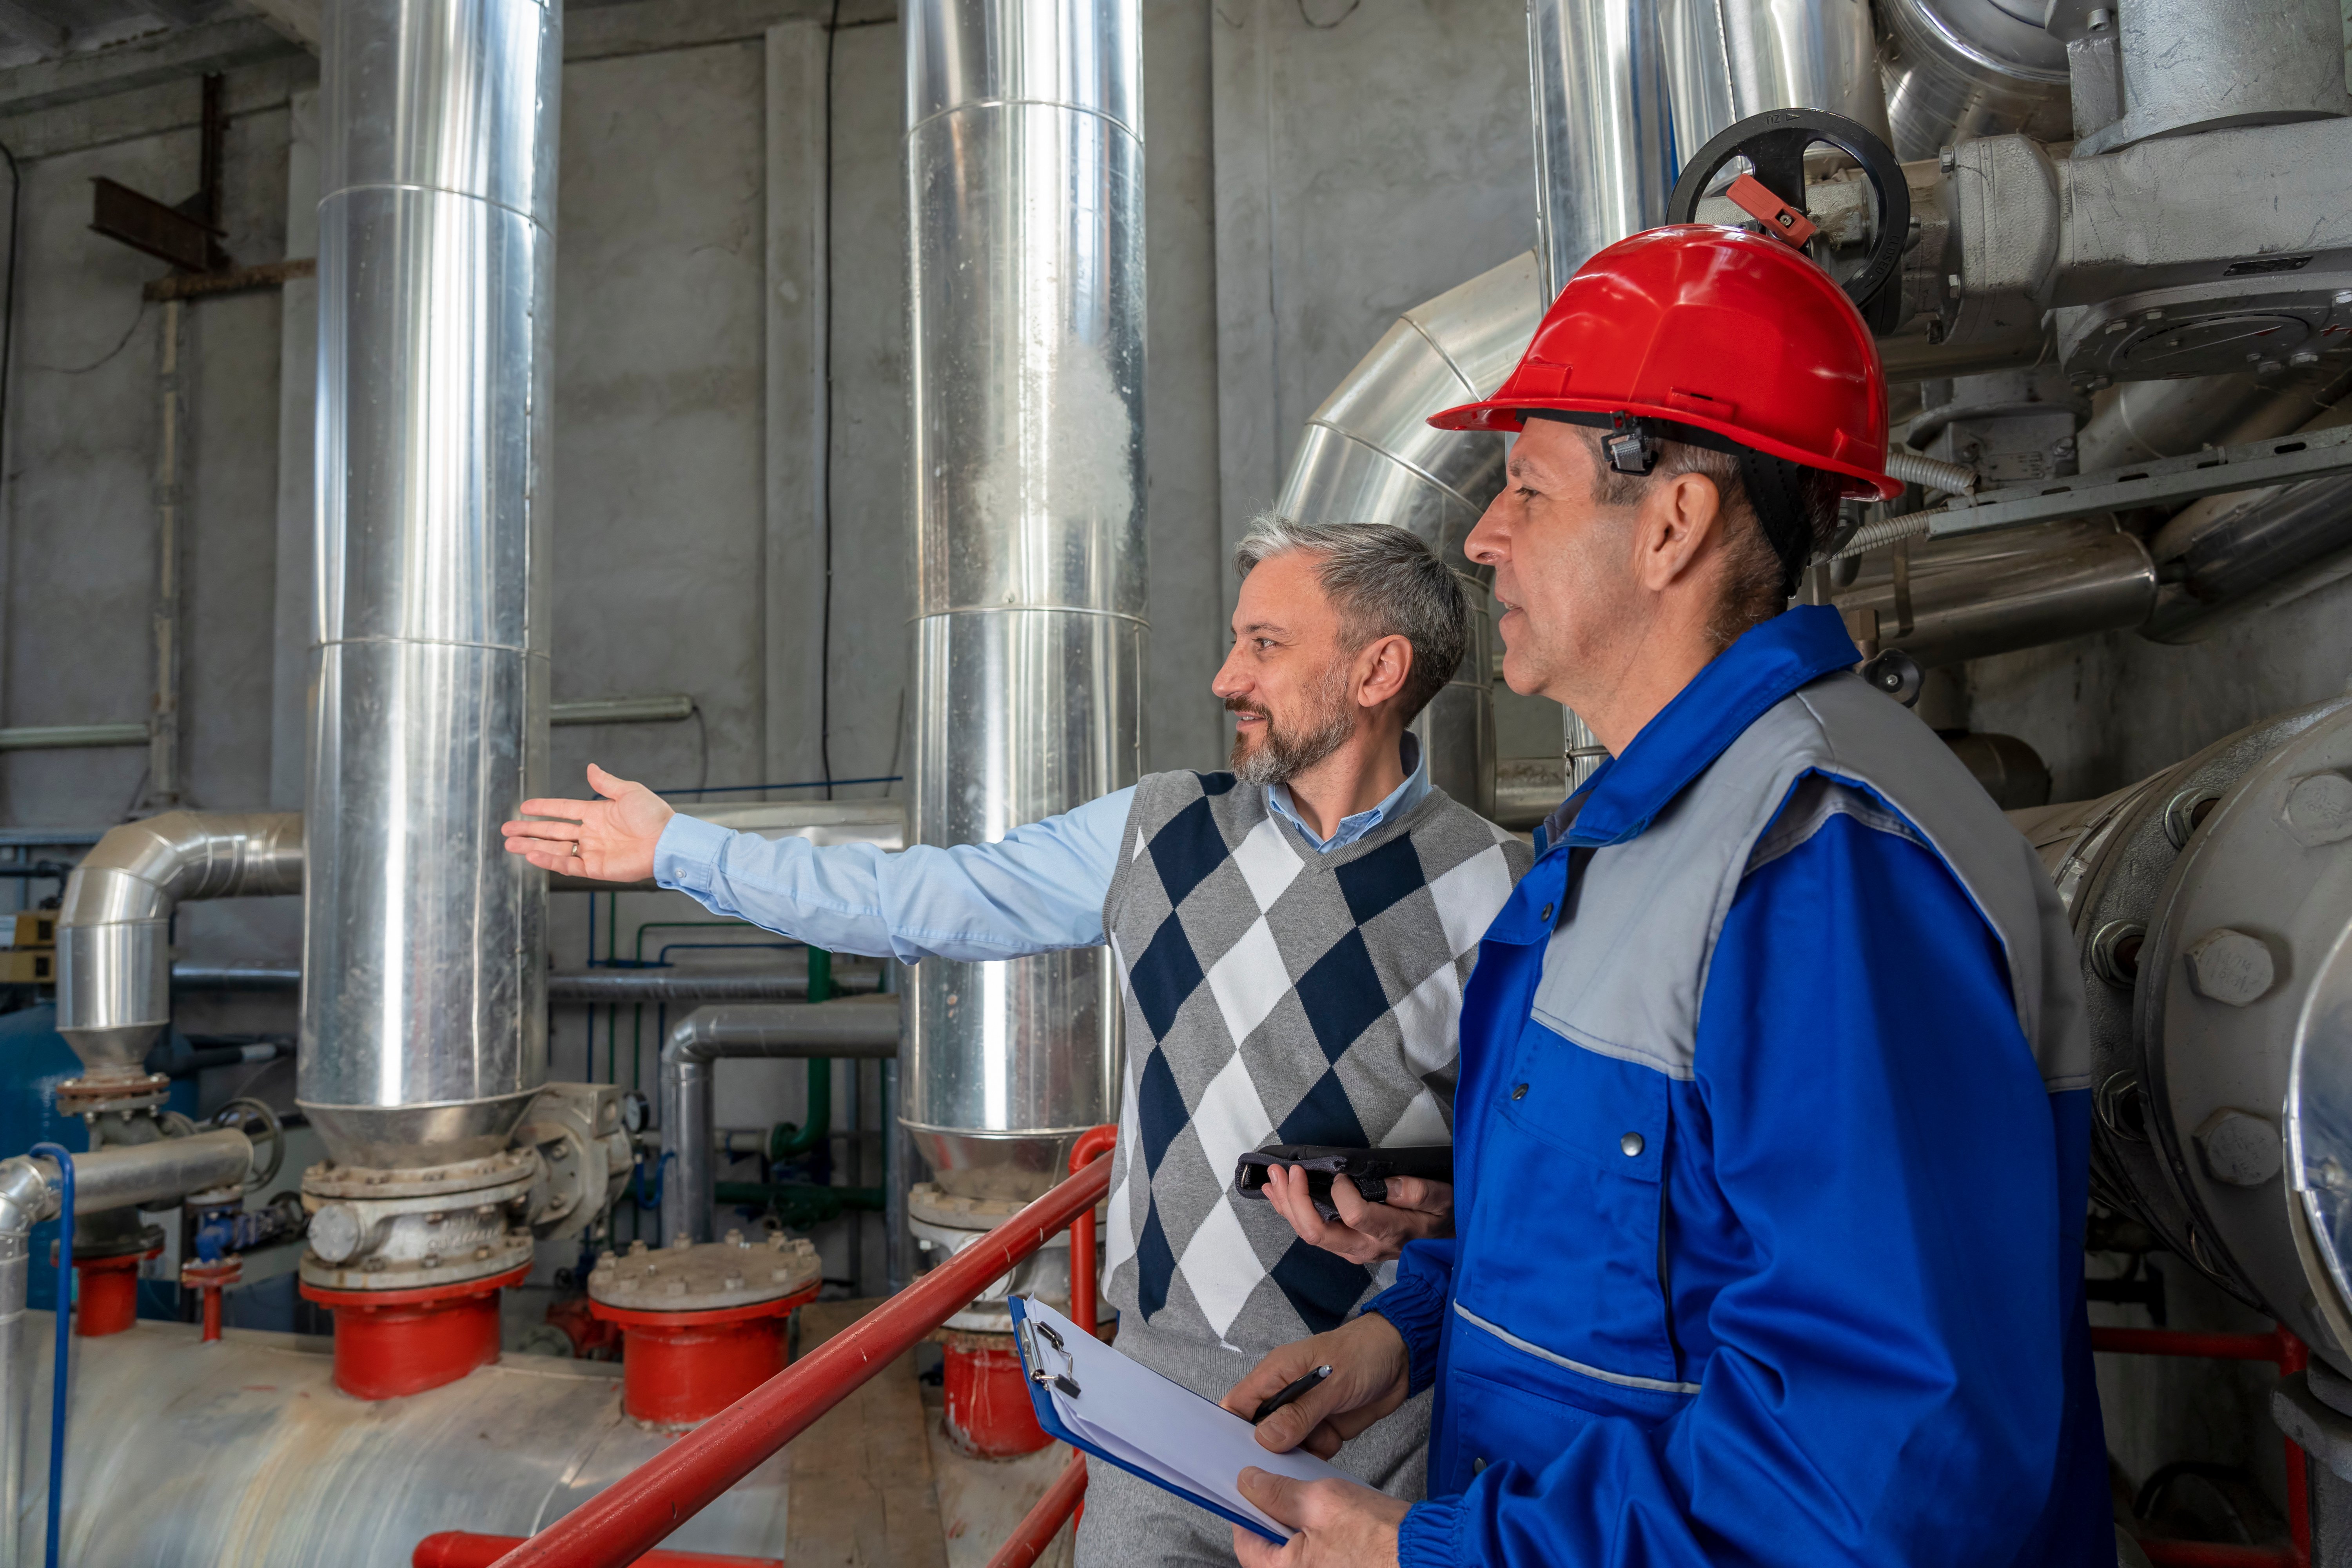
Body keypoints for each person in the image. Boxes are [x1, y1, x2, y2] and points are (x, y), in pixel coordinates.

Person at [1214, 224, 2110, 1568]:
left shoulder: (1822, 865)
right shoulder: (1635, 835)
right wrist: (1405, 1338)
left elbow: (1882, 1470)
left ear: (1674, 525)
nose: (1484, 535)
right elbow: (1634, 1242)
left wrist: (1436, 1556)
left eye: (1528, 488)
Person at [503, 518, 1531, 1568]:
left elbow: (1539, 1179)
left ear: (1378, 670)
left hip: (1372, 1416)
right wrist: (683, 849)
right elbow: (920, 899)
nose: (1227, 678)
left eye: (1265, 644)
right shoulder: (1159, 830)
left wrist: (1446, 1205)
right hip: (1158, 1409)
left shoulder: (1499, 886)